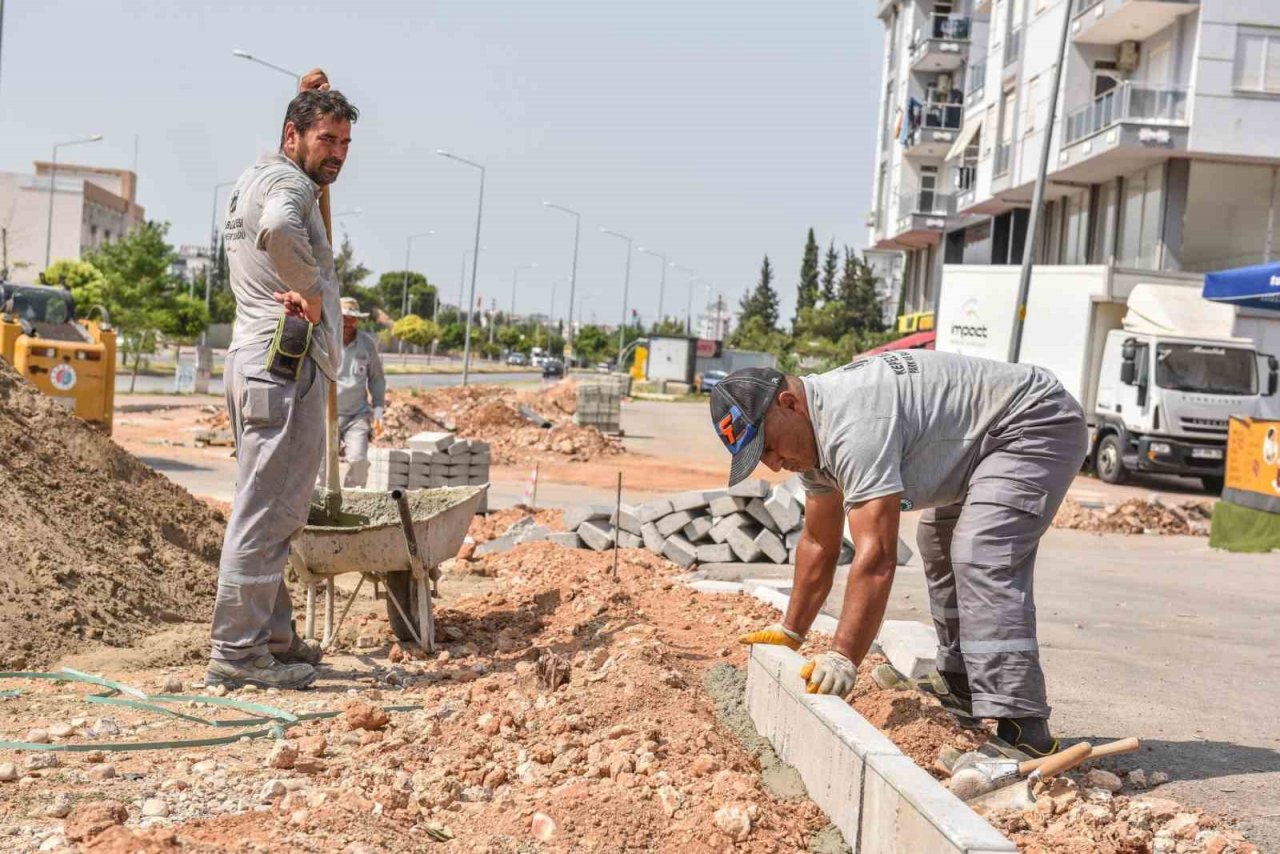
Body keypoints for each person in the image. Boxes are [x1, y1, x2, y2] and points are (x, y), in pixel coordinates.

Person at [715, 350, 1087, 756]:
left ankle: (1024, 728)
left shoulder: (853, 425)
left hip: (1033, 422)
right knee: (938, 539)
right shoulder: (811, 438)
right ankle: (962, 683)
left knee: (982, 551)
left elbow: (876, 557)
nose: (773, 464)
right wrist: (792, 631)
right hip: (987, 437)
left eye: (768, 447)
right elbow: (820, 542)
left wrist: (843, 657)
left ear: (789, 404)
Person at [206, 70, 358, 690]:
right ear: (291, 134)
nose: (338, 155)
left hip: (257, 362)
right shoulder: (286, 188)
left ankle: (272, 637)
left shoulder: (256, 175)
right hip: (284, 363)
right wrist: (313, 293)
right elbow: (277, 228)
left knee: (272, 511)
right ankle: (238, 654)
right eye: (327, 140)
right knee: (266, 516)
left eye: (345, 144)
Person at [336, 297, 386, 487]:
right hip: (326, 415)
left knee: (358, 461)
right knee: (322, 466)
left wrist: (379, 408)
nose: (348, 322)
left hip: (356, 416)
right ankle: (319, 511)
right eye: (344, 317)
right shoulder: (326, 340)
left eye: (353, 318)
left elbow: (376, 379)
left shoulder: (367, 344)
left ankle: (351, 507)